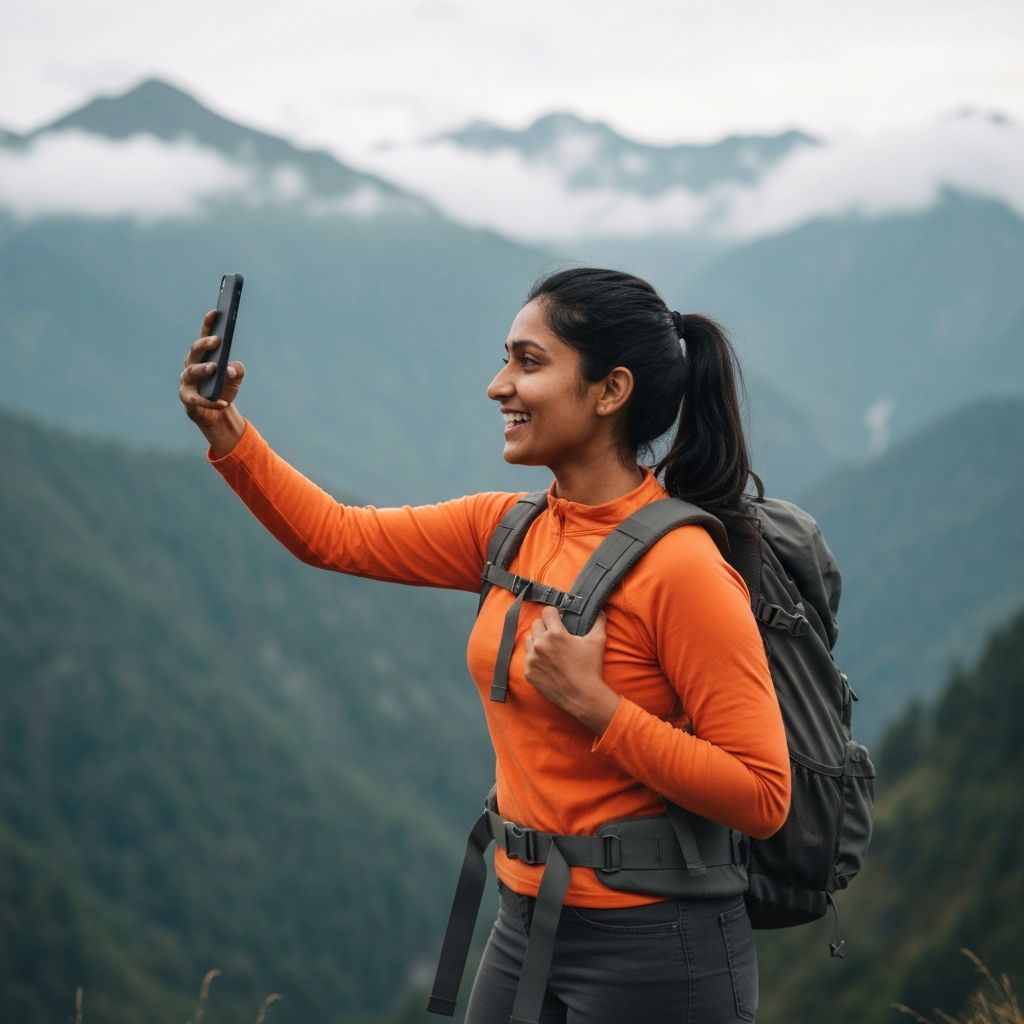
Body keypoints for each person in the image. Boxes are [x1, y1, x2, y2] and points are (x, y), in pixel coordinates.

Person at [179, 267, 791, 1024]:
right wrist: (226, 430)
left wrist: (596, 706)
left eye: (529, 363)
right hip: (525, 920)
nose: (499, 386)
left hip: (659, 945)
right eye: (506, 358)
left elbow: (763, 796)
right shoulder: (506, 528)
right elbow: (333, 535)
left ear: (610, 391)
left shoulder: (684, 568)